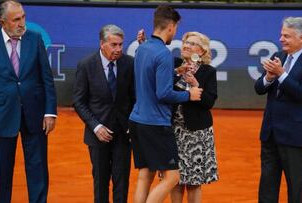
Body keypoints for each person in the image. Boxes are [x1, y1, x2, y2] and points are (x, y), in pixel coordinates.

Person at [0, 1, 57, 203]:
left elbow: (46, 78)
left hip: (35, 114)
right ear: (2, 22)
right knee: (1, 173)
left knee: (38, 170)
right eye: (16, 19)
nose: (22, 22)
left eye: (23, 17)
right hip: (1, 117)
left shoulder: (35, 38)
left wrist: (50, 112)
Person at [129, 6, 203, 203]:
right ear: (170, 26)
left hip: (137, 121)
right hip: (155, 124)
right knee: (173, 177)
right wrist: (190, 95)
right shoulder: (163, 53)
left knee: (145, 176)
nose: (175, 33)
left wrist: (176, 71)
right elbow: (163, 93)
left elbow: (150, 78)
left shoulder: (142, 48)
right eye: (176, 28)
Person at [254, 17, 302, 203]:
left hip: (294, 134)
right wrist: (269, 77)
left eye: (287, 36)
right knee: (267, 182)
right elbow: (259, 89)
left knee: (294, 184)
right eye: (281, 35)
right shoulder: (278, 56)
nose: (281, 39)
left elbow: (301, 93)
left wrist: (281, 74)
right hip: (270, 131)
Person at [73, 24, 134, 203]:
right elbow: (79, 101)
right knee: (100, 181)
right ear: (102, 44)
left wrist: (132, 124)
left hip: (123, 133)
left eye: (121, 44)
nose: (119, 49)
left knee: (122, 181)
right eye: (114, 45)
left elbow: (135, 97)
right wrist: (96, 126)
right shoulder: (86, 65)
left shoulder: (129, 63)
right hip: (97, 135)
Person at [170, 32, 219, 203]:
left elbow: (208, 103)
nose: (186, 46)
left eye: (191, 43)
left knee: (193, 183)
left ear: (202, 51)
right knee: (174, 181)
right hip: (173, 131)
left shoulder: (208, 72)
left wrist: (195, 85)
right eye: (185, 42)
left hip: (196, 133)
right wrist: (177, 73)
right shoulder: (174, 64)